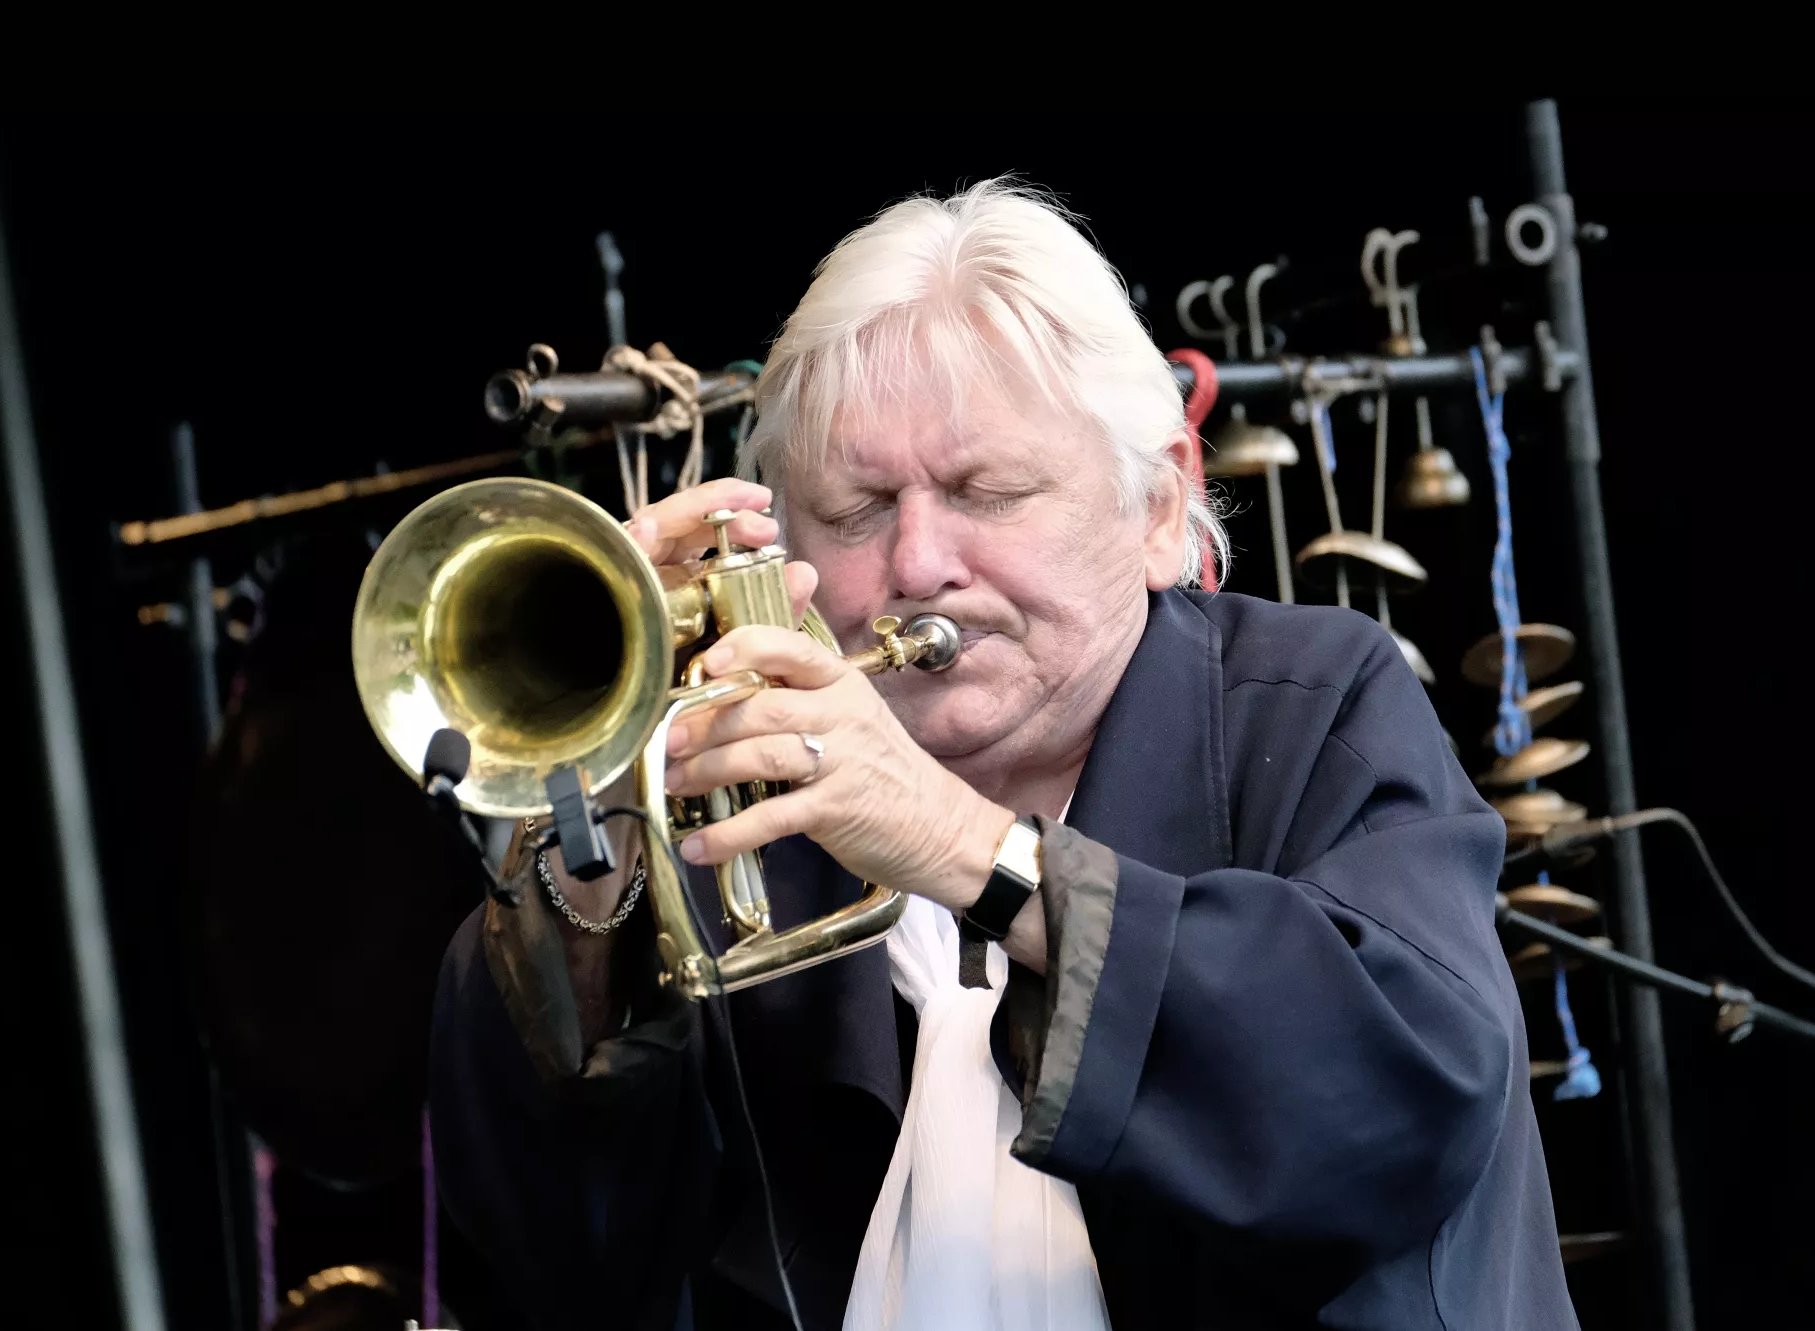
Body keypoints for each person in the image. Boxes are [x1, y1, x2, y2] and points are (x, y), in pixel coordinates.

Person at [429, 180, 1577, 1329]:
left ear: (1156, 509)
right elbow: (554, 1237)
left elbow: (1397, 1094)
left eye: (987, 491)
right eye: (855, 507)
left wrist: (955, 843)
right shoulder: (749, 777)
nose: (917, 563)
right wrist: (599, 820)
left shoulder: (1317, 701)